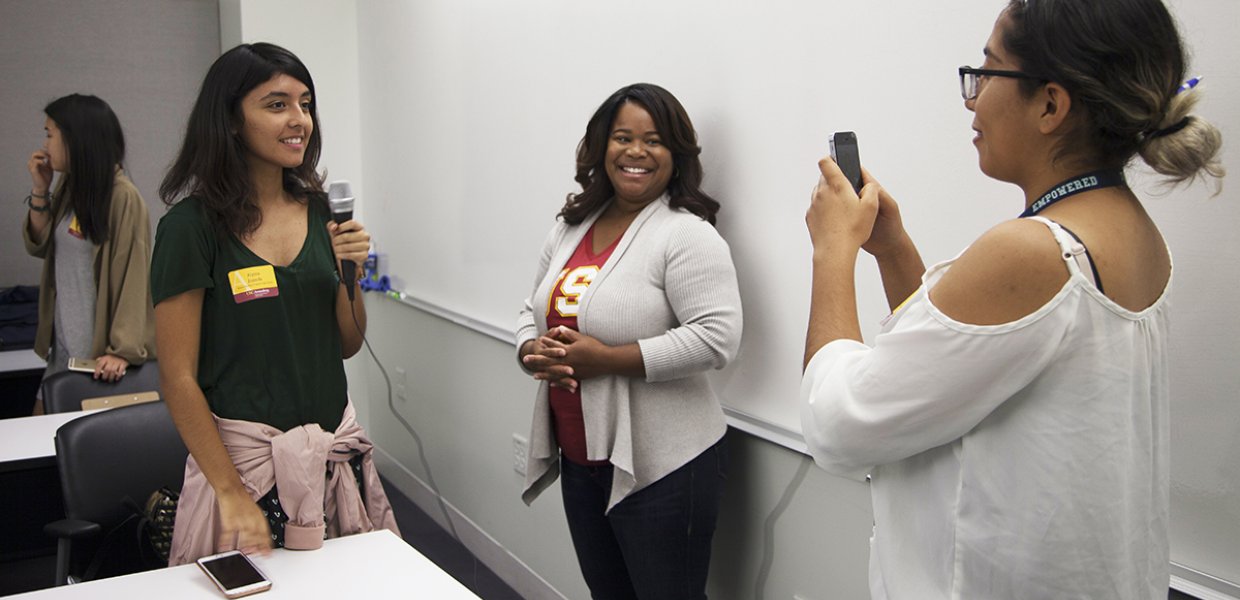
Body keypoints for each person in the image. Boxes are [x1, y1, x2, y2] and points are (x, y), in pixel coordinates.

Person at [800, 1, 1224, 598]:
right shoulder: (1129, 230)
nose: (972, 99)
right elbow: (952, 368)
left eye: (987, 71)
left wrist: (831, 252)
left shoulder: (1033, 251)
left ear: (1050, 104)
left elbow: (836, 425)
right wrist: (893, 250)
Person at [151, 42, 399, 566]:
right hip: (243, 475)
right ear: (231, 120)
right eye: (277, 103)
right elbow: (177, 378)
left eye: (305, 103)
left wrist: (349, 273)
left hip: (332, 461)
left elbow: (348, 344)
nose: (299, 120)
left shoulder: (323, 211)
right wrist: (230, 493)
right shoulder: (191, 229)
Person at [517, 83, 742, 600]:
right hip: (580, 456)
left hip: (665, 464)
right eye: (623, 137)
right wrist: (530, 350)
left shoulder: (686, 235)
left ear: (676, 155)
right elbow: (528, 309)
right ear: (602, 147)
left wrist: (608, 360)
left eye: (654, 140)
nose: (636, 151)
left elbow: (717, 339)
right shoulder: (571, 227)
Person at [21, 94, 156, 414]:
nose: (45, 143)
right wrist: (41, 189)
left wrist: (122, 350)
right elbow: (38, 243)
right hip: (63, 351)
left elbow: (134, 276)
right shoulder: (71, 188)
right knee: (45, 446)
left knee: (78, 452)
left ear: (75, 139)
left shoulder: (123, 196)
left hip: (100, 359)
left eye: (50, 134)